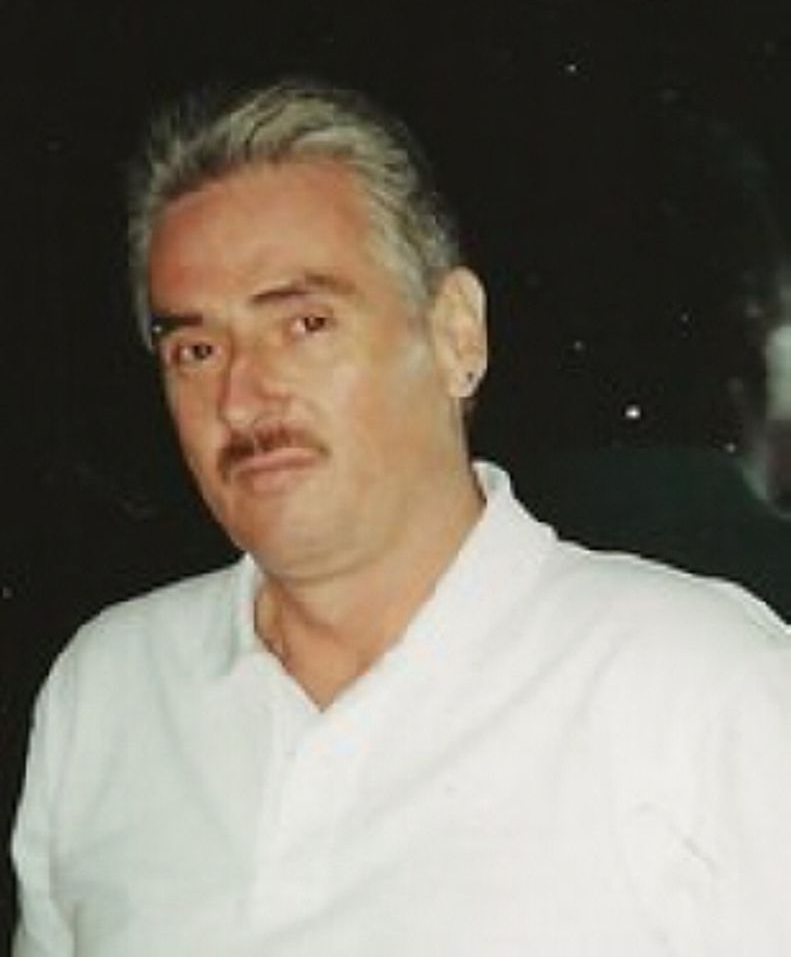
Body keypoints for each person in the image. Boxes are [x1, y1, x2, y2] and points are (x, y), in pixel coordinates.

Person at [11, 79, 791, 956]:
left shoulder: (698, 688)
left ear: (456, 334)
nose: (240, 396)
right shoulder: (108, 691)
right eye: (195, 349)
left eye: (305, 324)